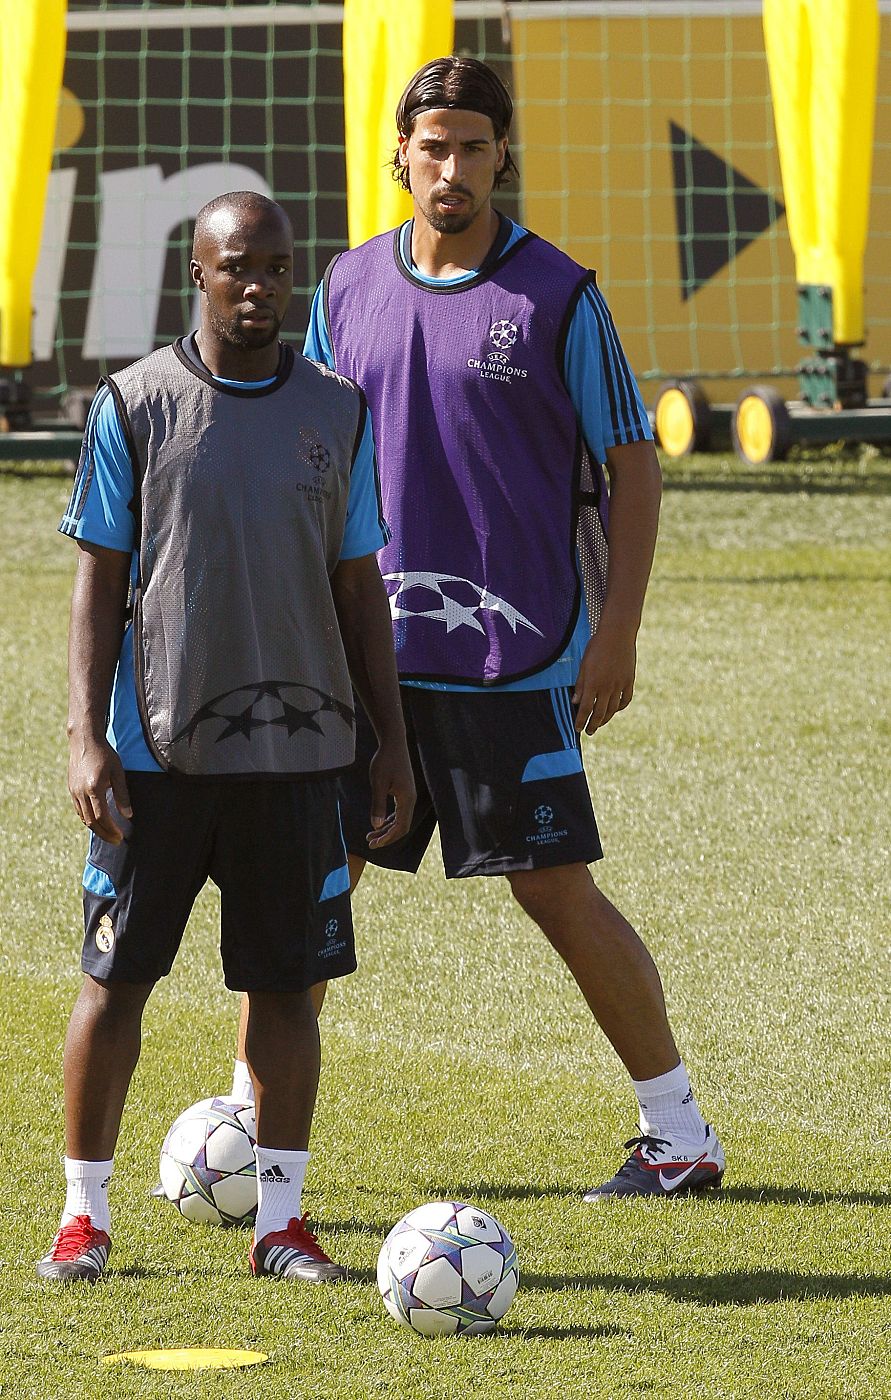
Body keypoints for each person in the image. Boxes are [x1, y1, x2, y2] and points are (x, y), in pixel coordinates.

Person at [231, 55, 726, 1201]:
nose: (451, 168)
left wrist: (619, 636)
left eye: (472, 146)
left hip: (517, 658)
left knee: (551, 886)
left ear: (505, 155)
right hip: (365, 664)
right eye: (432, 145)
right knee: (314, 877)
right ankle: (243, 1130)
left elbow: (634, 466)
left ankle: (680, 1131)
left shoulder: (558, 295)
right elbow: (311, 458)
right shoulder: (347, 289)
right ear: (400, 154)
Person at [37, 191, 415, 1285]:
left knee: (289, 990)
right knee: (116, 984)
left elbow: (361, 586)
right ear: (197, 274)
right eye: (237, 268)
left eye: (278, 270)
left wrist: (387, 741)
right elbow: (96, 581)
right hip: (157, 761)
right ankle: (83, 1216)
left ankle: (281, 1224)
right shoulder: (135, 403)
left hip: (299, 762)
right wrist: (83, 735)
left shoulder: (338, 410)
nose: (260, 289)